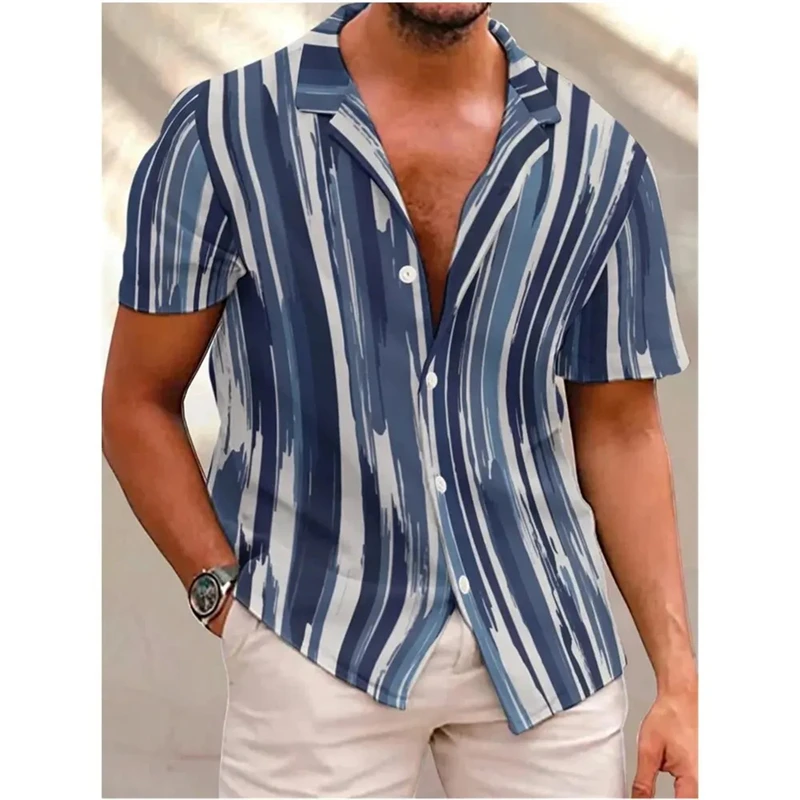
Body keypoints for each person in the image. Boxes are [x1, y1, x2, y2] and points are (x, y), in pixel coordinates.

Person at [102, 3, 698, 798]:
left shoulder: (597, 159)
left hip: (547, 652)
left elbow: (623, 432)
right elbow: (136, 400)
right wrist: (225, 603)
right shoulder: (226, 134)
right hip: (314, 641)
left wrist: (678, 679)